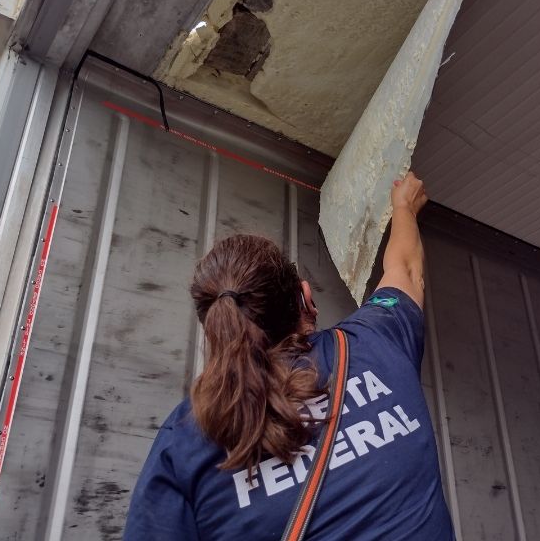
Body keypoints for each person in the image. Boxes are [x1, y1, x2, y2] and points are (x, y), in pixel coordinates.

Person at [124, 172, 455, 540]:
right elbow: (406, 269)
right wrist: (404, 206)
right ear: (305, 298)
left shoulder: (186, 436)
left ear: (217, 327)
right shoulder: (379, 338)